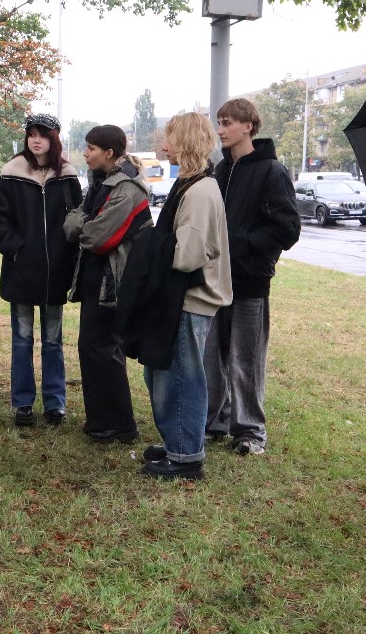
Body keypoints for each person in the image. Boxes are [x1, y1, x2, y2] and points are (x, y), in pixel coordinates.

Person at [119, 113, 232, 481]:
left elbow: (187, 256)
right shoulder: (190, 184)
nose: (163, 147)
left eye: (170, 139)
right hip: (177, 297)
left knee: (181, 379)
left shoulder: (198, 191)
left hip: (190, 298)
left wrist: (149, 246)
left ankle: (185, 457)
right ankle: (177, 443)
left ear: (186, 143)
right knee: (163, 374)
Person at [203, 98, 300, 456]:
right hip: (215, 279)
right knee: (211, 356)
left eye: (227, 122)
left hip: (249, 280)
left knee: (245, 359)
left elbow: (287, 229)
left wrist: (239, 246)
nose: (220, 130)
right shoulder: (221, 170)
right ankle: (214, 421)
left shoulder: (272, 171)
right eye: (219, 122)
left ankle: (249, 431)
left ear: (248, 126)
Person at [0, 113, 81, 427]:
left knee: (53, 341)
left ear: (53, 139)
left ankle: (55, 403)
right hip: (21, 271)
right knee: (22, 339)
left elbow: (77, 220)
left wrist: (69, 255)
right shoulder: (12, 173)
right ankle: (23, 403)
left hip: (56, 272)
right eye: (31, 134)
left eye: (42, 135)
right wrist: (15, 248)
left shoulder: (67, 175)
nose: (36, 140)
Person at [63, 125, 152, 444]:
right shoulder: (100, 182)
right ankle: (101, 420)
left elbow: (97, 237)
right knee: (91, 347)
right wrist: (83, 223)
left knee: (104, 348)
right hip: (96, 278)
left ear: (109, 153)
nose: (85, 153)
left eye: (91, 148)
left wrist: (82, 224)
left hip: (113, 281)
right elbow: (74, 221)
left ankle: (119, 425)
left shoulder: (127, 188)